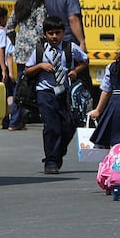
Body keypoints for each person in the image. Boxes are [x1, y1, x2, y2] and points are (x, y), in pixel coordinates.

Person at [24, 15, 89, 174]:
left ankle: (58, 152)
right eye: (50, 33)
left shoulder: (70, 48)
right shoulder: (40, 50)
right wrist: (40, 66)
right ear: (45, 34)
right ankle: (51, 161)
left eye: (57, 33)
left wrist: (75, 71)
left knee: (68, 125)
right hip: (45, 92)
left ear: (63, 33)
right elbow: (27, 70)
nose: (54, 37)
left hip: (64, 92)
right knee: (52, 126)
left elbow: (85, 60)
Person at [5, 0, 48, 130]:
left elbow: (9, 27)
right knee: (39, 83)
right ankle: (37, 115)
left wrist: (16, 41)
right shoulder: (40, 8)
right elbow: (41, 31)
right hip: (35, 50)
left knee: (20, 84)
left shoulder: (20, 5)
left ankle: (15, 119)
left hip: (21, 50)